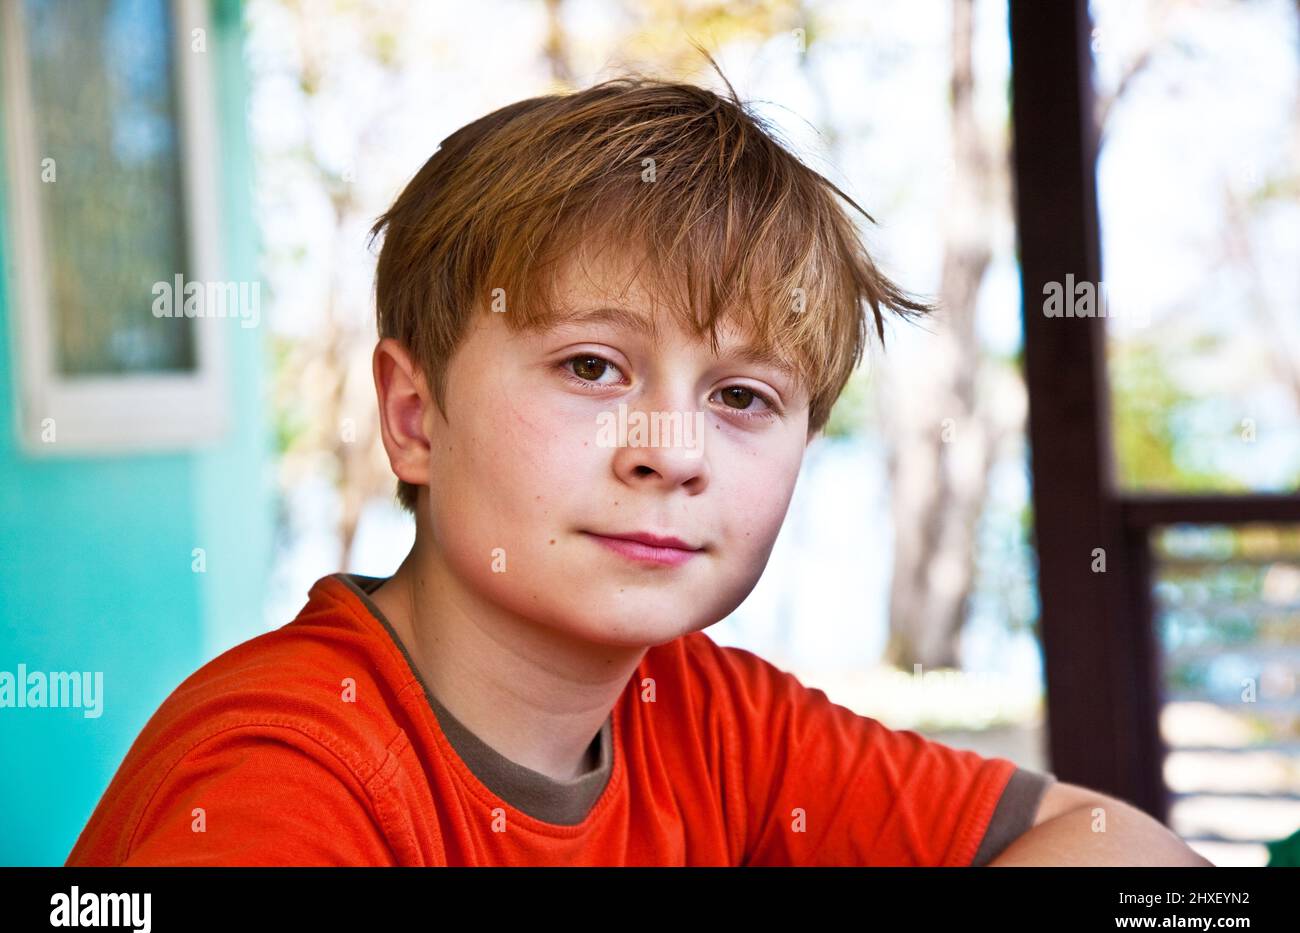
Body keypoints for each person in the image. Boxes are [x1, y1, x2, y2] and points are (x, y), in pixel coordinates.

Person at [65, 69, 1211, 866]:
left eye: (743, 397)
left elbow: (1131, 848)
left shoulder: (708, 714)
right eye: (593, 366)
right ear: (415, 415)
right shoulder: (288, 770)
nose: (673, 453)